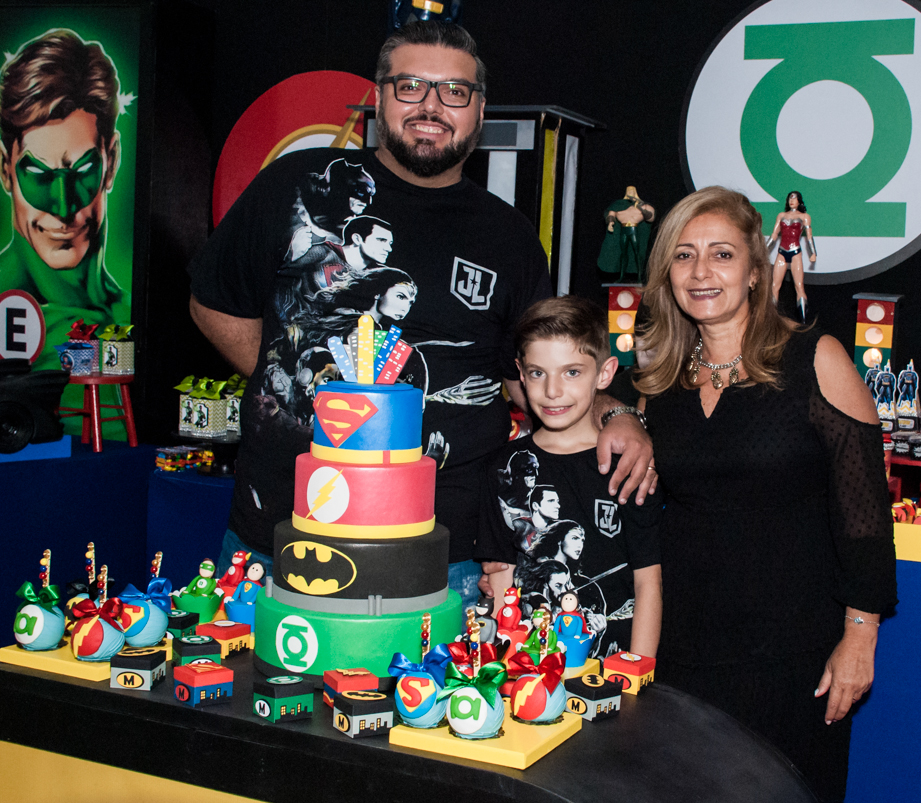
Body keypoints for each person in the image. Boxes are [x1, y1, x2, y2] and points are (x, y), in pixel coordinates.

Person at [188, 21, 652, 617]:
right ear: (379, 97)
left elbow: (535, 376)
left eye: (454, 91)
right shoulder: (296, 186)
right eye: (411, 86)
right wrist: (309, 388)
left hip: (446, 555)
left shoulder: (508, 238)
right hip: (279, 538)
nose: (431, 105)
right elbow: (212, 302)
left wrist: (618, 413)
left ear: (478, 111)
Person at [617, 186, 896, 802]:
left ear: (753, 270)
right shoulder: (660, 382)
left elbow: (867, 517)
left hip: (795, 652)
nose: (701, 272)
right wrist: (622, 417)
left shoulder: (815, 358)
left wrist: (860, 636)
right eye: (684, 256)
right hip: (686, 648)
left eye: (721, 254)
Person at [477, 296, 662, 660]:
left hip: (612, 669)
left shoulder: (630, 465)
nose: (552, 391)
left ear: (605, 373)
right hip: (527, 667)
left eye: (572, 372)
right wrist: (498, 669)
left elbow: (648, 584)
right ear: (520, 371)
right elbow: (500, 578)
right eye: (537, 372)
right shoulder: (504, 466)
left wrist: (636, 680)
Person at [0, 28, 131, 371]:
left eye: (84, 170)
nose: (63, 208)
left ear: (111, 162)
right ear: (5, 168)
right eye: (39, 176)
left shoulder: (128, 315)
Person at [767, 190, 816, 320]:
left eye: (794, 198)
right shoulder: (781, 215)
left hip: (795, 253)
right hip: (782, 252)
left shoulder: (804, 217)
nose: (791, 200)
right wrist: (763, 250)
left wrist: (813, 253)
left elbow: (809, 237)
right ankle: (770, 319)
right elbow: (774, 235)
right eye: (790, 198)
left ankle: (803, 320)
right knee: (774, 286)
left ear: (799, 201)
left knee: (799, 286)